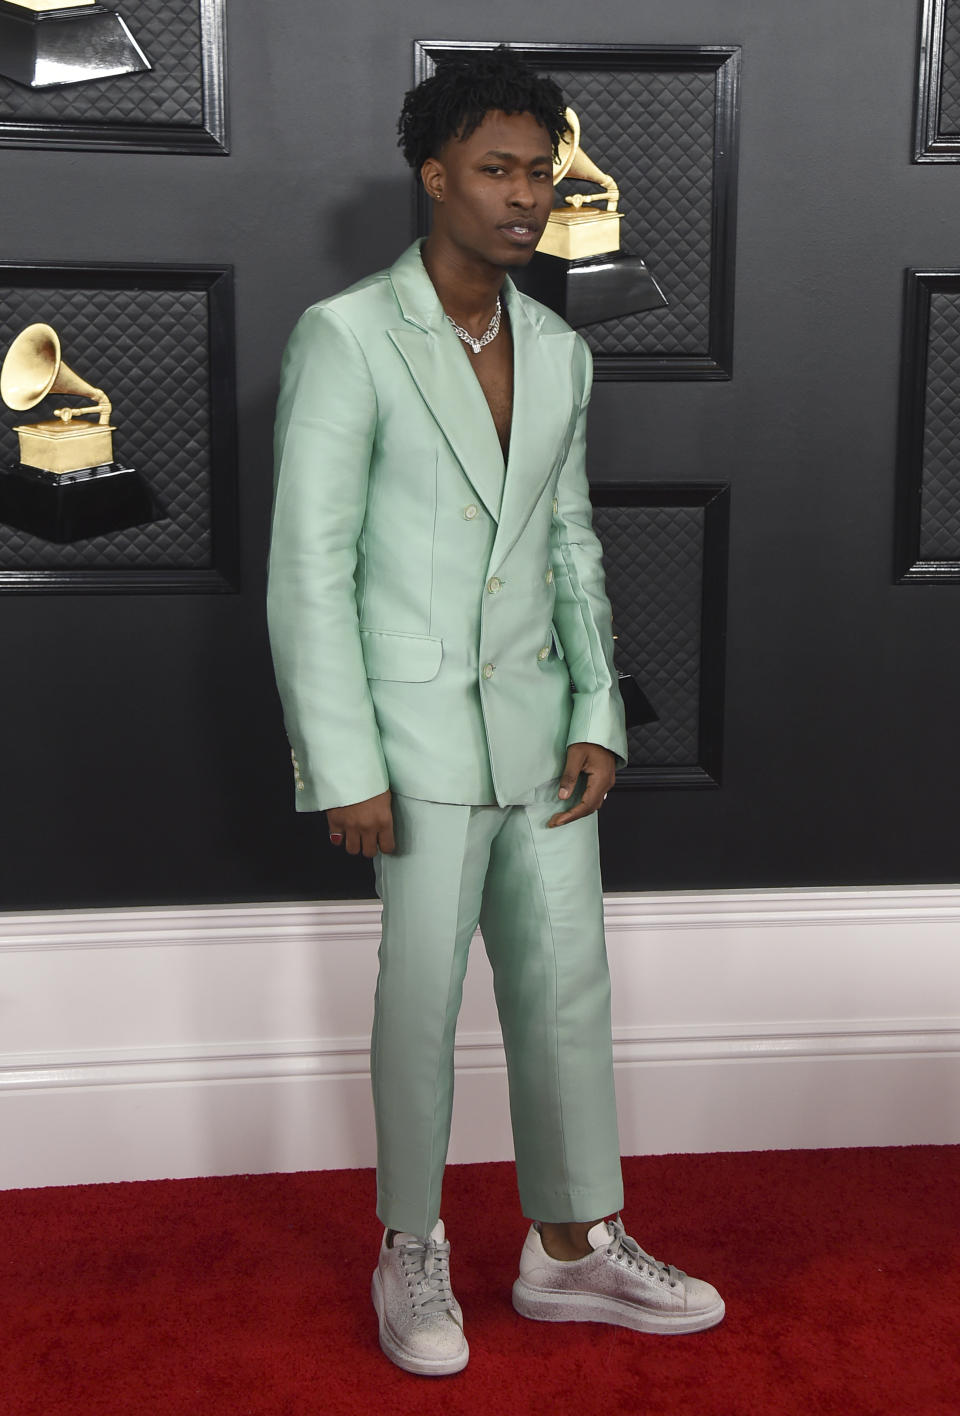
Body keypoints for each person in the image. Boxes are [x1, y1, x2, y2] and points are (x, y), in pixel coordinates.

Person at [267, 45, 724, 1377]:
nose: (524, 196)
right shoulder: (348, 336)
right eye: (495, 170)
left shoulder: (561, 352)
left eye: (538, 172)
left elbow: (572, 543)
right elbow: (311, 572)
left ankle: (571, 1249)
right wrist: (342, 759)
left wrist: (598, 714)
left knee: (568, 987)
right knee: (418, 998)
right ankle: (409, 1247)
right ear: (434, 174)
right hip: (407, 749)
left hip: (540, 736)